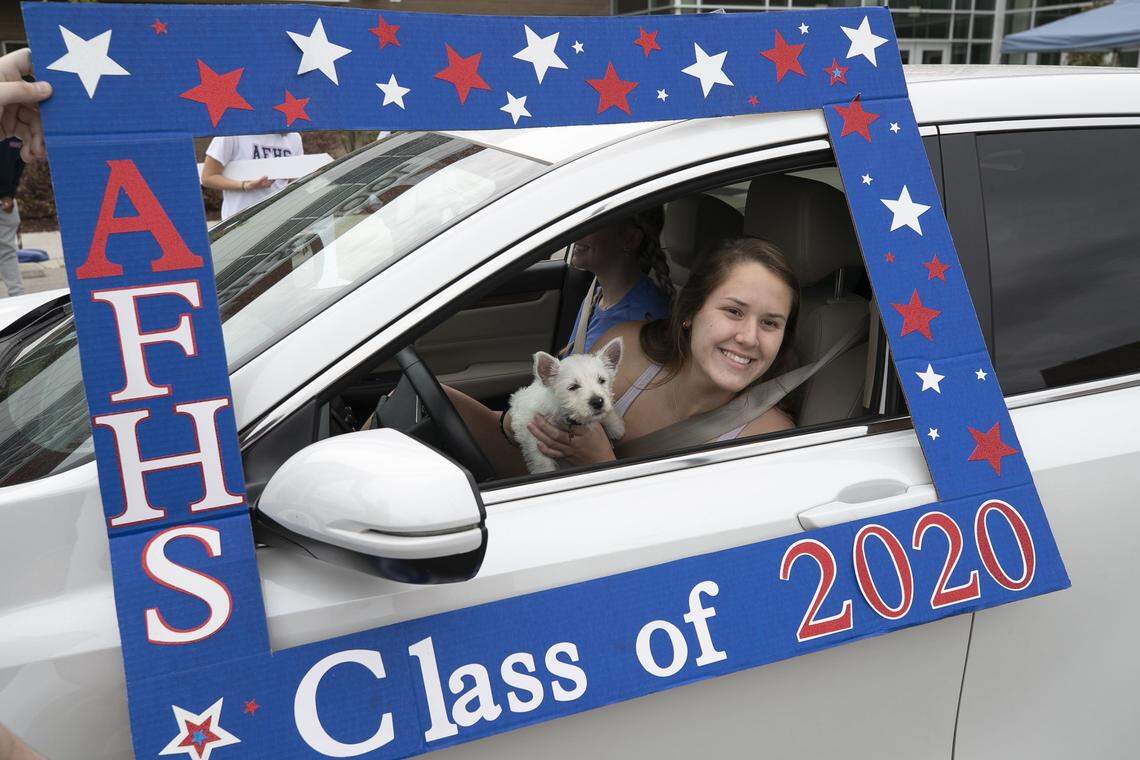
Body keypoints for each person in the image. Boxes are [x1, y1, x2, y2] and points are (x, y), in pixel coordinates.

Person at [447, 237, 799, 477]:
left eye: (770, 323)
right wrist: (513, 425)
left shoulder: (773, 438)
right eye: (734, 312)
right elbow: (534, 433)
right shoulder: (626, 351)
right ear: (690, 311)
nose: (749, 338)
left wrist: (601, 461)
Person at [564, 207, 673, 355]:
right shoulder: (597, 295)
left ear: (631, 239)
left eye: (593, 223)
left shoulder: (639, 323)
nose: (576, 231)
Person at [201, 132, 303, 220]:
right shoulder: (232, 133)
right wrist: (245, 185)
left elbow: (297, 180)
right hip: (240, 222)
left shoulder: (294, 137)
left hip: (280, 221)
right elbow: (207, 177)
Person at [0, 135, 24, 297]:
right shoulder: (16, 134)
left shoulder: (16, 137)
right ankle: (18, 295)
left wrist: (8, 194)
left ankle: (18, 296)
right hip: (5, 200)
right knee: (7, 252)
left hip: (5, 201)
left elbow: (18, 164)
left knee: (7, 252)